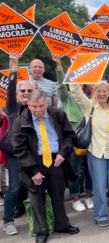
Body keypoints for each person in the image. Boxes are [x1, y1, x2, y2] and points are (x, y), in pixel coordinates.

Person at [10, 90, 80, 243]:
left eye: (41, 106)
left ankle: (62, 224)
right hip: (34, 163)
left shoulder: (59, 115)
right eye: (34, 106)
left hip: (56, 160)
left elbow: (69, 136)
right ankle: (41, 230)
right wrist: (33, 171)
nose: (38, 110)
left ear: (47, 103)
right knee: (37, 198)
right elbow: (19, 149)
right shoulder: (21, 120)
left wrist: (63, 153)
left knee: (58, 195)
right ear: (28, 105)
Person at [71, 80, 109, 227]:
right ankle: (100, 215)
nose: (102, 94)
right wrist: (75, 74)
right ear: (94, 93)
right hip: (96, 152)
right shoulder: (89, 107)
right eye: (99, 91)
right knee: (99, 184)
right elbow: (76, 93)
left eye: (104, 91)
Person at [3, 52, 38, 235]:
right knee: (15, 187)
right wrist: (14, 68)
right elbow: (10, 89)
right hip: (16, 154)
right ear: (18, 94)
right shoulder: (12, 107)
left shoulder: (38, 108)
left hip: (34, 153)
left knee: (36, 184)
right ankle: (8, 221)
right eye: (22, 91)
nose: (25, 93)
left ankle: (41, 218)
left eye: (29, 90)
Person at [53, 54, 93, 212]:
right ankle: (75, 197)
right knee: (74, 170)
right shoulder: (67, 97)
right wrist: (59, 66)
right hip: (73, 137)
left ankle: (89, 195)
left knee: (90, 169)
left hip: (90, 138)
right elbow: (62, 87)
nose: (79, 83)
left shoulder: (91, 99)